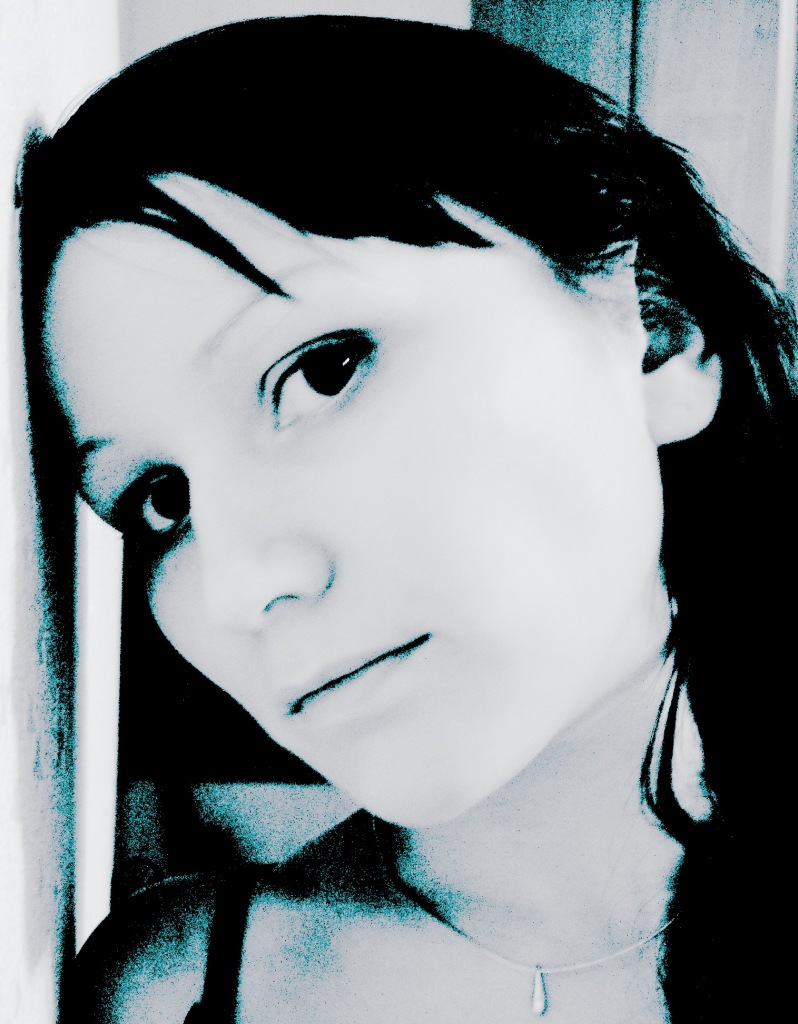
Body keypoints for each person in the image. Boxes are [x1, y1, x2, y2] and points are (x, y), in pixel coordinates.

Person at [19, 15, 797, 1024]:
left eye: (323, 370)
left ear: (652, 330)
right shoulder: (176, 995)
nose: (240, 586)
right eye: (163, 500)